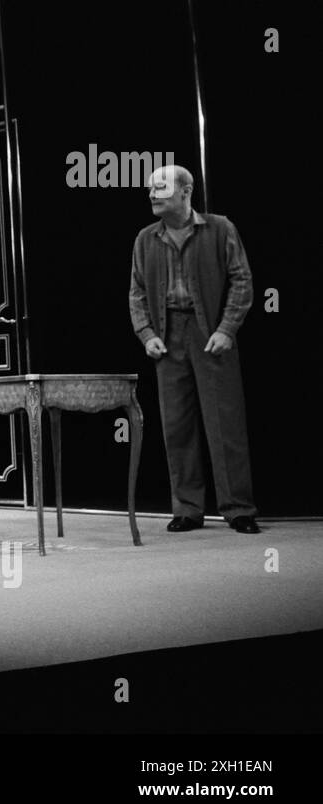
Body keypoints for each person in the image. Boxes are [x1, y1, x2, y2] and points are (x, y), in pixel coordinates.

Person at [128, 165, 258, 534]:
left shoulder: (219, 228)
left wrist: (227, 328)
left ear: (186, 192)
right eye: (150, 188)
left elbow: (242, 279)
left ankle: (238, 508)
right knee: (177, 426)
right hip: (167, 337)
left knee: (225, 424)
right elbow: (136, 292)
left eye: (161, 187)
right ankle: (187, 508)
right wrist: (146, 333)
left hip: (210, 333)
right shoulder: (145, 239)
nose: (152, 194)